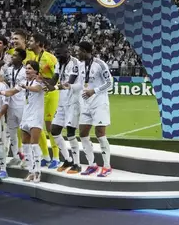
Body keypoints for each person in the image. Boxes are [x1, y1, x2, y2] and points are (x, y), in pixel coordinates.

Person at [0, 61, 45, 182]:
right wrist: (0, 92)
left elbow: (36, 89)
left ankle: (38, 172)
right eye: (26, 69)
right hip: (25, 116)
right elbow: (11, 92)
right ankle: (30, 171)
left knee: (35, 145)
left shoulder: (39, 82)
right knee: (26, 146)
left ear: (36, 71)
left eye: (29, 69)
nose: (27, 71)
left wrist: (25, 87)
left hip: (36, 116)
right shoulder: (23, 82)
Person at [76, 41, 114, 177]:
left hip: (99, 103)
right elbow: (81, 84)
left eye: (79, 51)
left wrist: (94, 91)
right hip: (86, 103)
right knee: (83, 133)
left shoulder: (100, 64)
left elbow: (110, 83)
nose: (77, 53)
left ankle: (107, 166)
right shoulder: (80, 66)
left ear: (86, 51)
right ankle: (92, 164)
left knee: (100, 134)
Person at [26, 33, 59, 168]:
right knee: (37, 125)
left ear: (39, 43)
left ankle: (56, 158)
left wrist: (45, 82)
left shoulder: (50, 58)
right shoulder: (34, 57)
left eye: (31, 40)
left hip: (50, 95)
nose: (29, 42)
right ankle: (45, 156)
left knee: (50, 126)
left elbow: (57, 76)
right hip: (39, 95)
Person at [49, 44, 82, 174]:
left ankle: (77, 164)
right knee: (54, 130)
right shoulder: (59, 63)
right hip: (62, 102)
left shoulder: (75, 63)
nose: (57, 57)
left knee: (70, 133)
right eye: (56, 55)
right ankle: (68, 160)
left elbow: (70, 82)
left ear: (67, 52)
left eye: (59, 54)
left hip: (73, 102)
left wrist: (55, 87)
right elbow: (55, 78)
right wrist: (45, 84)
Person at [2, 48, 27, 167]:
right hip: (10, 105)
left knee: (24, 131)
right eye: (13, 55)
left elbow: (16, 90)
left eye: (16, 56)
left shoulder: (25, 71)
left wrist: (2, 93)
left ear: (22, 58)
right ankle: (16, 156)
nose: (13, 57)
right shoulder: (9, 69)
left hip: (21, 104)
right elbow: (4, 79)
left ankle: (27, 158)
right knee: (11, 131)